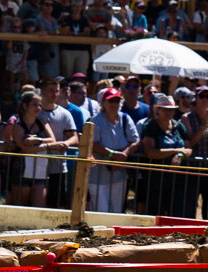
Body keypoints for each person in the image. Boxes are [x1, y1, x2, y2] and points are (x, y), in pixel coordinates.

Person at [141, 93, 192, 217]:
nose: (169, 113)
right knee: (155, 211)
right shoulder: (150, 126)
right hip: (156, 178)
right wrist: (176, 151)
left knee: (176, 211)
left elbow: (188, 148)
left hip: (177, 178)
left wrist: (180, 154)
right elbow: (150, 152)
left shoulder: (178, 126)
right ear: (158, 110)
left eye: (171, 110)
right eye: (165, 110)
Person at [89, 87, 139, 213]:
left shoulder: (125, 119)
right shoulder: (95, 120)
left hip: (119, 175)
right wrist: (112, 153)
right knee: (101, 213)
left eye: (117, 101)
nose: (114, 104)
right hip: (98, 176)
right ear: (103, 103)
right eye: (111, 101)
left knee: (116, 213)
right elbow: (91, 143)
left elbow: (136, 141)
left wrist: (124, 154)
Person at [181, 86, 208, 220]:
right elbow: (190, 143)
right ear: (196, 98)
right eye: (202, 96)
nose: (205, 99)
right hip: (193, 170)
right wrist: (204, 126)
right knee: (189, 209)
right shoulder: (186, 118)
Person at [38, 76, 79, 209]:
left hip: (58, 167)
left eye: (57, 91)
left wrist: (66, 143)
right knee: (37, 204)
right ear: (42, 92)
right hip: (36, 166)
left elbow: (75, 137)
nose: (55, 94)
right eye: (51, 90)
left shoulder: (65, 114)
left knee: (58, 205)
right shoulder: (35, 112)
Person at [11, 91, 56, 208]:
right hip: (21, 170)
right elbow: (25, 148)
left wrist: (38, 140)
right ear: (25, 106)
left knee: (39, 207)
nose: (38, 108)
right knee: (22, 208)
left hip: (40, 171)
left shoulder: (42, 122)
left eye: (40, 105)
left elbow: (53, 140)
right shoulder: (17, 126)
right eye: (34, 105)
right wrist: (45, 145)